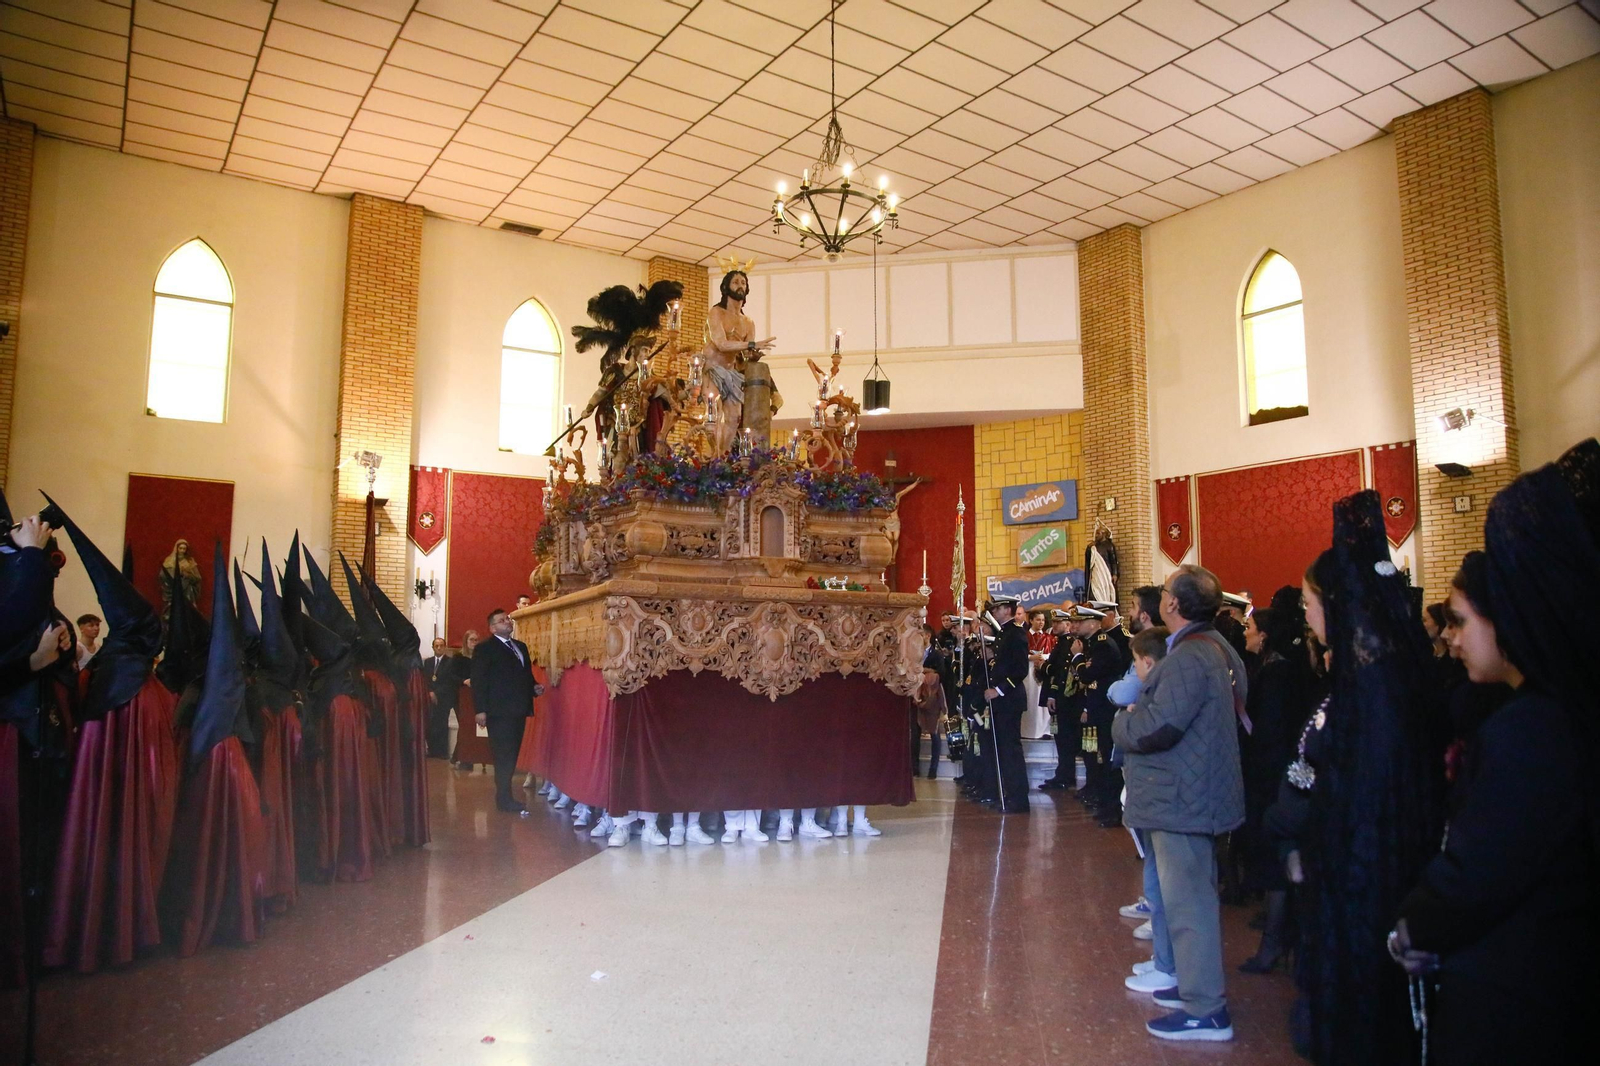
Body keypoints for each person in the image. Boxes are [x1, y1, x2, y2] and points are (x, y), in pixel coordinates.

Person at [1389, 441, 1598, 1065]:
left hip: (1518, 993)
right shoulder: (1550, 709)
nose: (1451, 639)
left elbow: (1479, 872)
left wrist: (1413, 925)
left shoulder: (1534, 729)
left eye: (1460, 620)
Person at [1112, 563, 1246, 1042]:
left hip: (1183, 798)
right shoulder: (1210, 646)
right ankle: (1191, 986)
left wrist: (1123, 723)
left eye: (1165, 590)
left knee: (1189, 906)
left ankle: (1205, 1009)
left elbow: (1159, 726)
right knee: (1185, 900)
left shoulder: (1190, 656)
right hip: (1189, 794)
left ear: (1173, 603)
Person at [1237, 605, 1312, 974]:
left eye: (1249, 626)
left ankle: (1276, 938)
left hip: (1272, 776)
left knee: (1275, 857)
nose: (1245, 632)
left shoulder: (1277, 673)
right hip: (1269, 772)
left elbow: (1270, 731)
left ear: (1264, 635)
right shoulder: (1269, 668)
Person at [469, 609, 542, 815]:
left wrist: (534, 687)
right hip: (499, 711)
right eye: (502, 621)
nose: (508, 622)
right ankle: (504, 798)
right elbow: (479, 680)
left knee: (512, 753)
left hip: (518, 709)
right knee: (503, 754)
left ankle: (506, 795)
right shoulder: (485, 648)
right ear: (492, 628)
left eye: (508, 619)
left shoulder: (520, 646)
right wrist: (480, 709)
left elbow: (524, 674)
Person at [701, 268, 775, 454]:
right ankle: (713, 455)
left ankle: (722, 457)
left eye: (743, 282)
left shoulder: (748, 322)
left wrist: (754, 354)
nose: (740, 286)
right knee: (714, 415)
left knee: (734, 418)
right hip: (712, 369)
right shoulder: (716, 312)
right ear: (726, 287)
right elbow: (721, 344)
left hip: (731, 373)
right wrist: (751, 344)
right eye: (735, 282)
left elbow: (746, 354)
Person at [981, 595, 1030, 814]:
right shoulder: (1004, 633)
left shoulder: (1016, 634)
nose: (994, 611)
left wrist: (999, 690)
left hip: (1009, 699)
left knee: (1011, 751)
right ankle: (1009, 794)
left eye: (997, 608)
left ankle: (1019, 799)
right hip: (1002, 701)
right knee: (1003, 750)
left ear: (1007, 610)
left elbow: (1020, 670)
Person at [424, 637, 455, 758]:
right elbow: (425, 679)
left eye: (441, 645)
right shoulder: (428, 662)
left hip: (443, 698)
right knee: (430, 724)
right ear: (433, 647)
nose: (439, 648)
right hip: (429, 697)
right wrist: (430, 692)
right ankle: (432, 750)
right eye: (436, 646)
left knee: (441, 724)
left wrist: (436, 693)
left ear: (445, 647)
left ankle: (442, 751)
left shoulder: (450, 662)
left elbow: (449, 681)